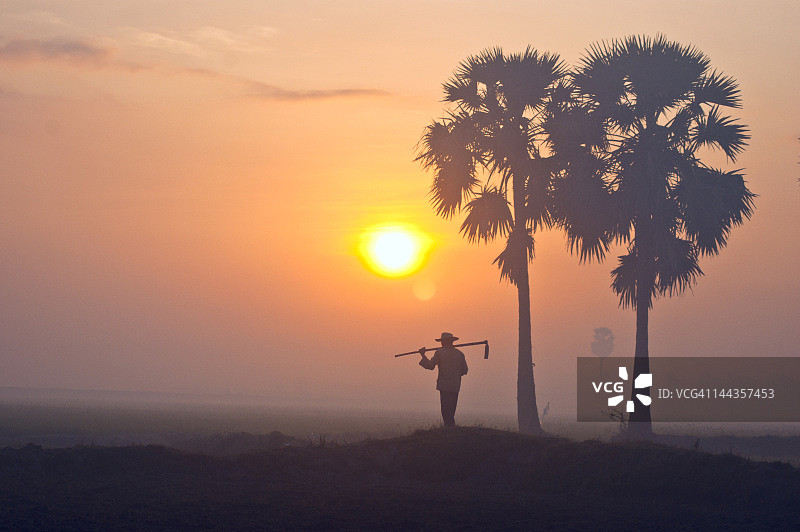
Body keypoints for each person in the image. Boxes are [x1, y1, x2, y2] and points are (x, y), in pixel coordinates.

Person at [419, 332, 468, 427]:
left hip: (444, 385)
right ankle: (450, 428)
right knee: (452, 409)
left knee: (446, 410)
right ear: (452, 342)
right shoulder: (460, 354)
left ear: (443, 342)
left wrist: (423, 356)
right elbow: (464, 370)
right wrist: (455, 375)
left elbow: (430, 366)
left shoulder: (439, 353)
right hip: (455, 385)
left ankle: (449, 428)